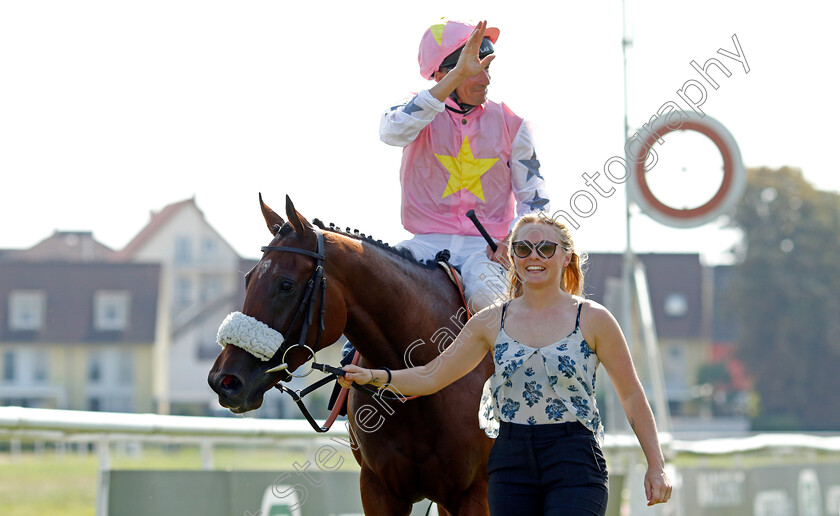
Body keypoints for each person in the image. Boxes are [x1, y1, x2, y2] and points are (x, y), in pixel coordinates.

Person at [340, 214, 672, 515]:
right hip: (511, 461)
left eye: (545, 248)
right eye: (523, 248)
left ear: (566, 256)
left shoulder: (595, 319)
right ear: (511, 256)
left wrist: (656, 465)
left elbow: (631, 397)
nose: (534, 257)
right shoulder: (489, 322)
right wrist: (372, 376)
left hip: (574, 459)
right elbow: (431, 376)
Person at [381, 19, 551, 311]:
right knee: (375, 286)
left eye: (487, 69)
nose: (486, 80)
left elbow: (536, 202)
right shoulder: (415, 109)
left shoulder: (514, 124)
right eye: (476, 71)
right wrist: (455, 77)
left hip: (486, 251)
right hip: (422, 245)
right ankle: (352, 357)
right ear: (444, 74)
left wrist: (513, 241)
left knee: (489, 300)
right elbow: (391, 132)